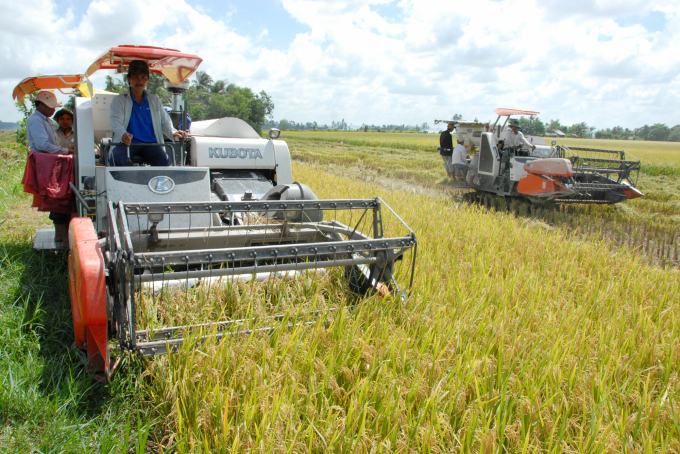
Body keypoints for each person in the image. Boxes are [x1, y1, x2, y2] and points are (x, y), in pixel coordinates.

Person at [109, 60, 187, 166]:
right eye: (136, 76)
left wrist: (174, 133)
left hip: (151, 145)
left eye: (143, 77)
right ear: (129, 79)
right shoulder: (119, 100)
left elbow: (165, 122)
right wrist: (123, 134)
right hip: (127, 144)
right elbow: (115, 121)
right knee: (116, 158)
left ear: (147, 79)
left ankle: (158, 183)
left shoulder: (155, 100)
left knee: (164, 161)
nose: (140, 80)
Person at [25, 91, 74, 243]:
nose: (53, 110)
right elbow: (43, 145)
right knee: (56, 199)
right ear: (40, 105)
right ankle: (62, 238)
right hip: (45, 163)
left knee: (59, 199)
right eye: (50, 107)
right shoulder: (35, 120)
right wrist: (67, 152)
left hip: (51, 162)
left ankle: (62, 237)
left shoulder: (45, 120)